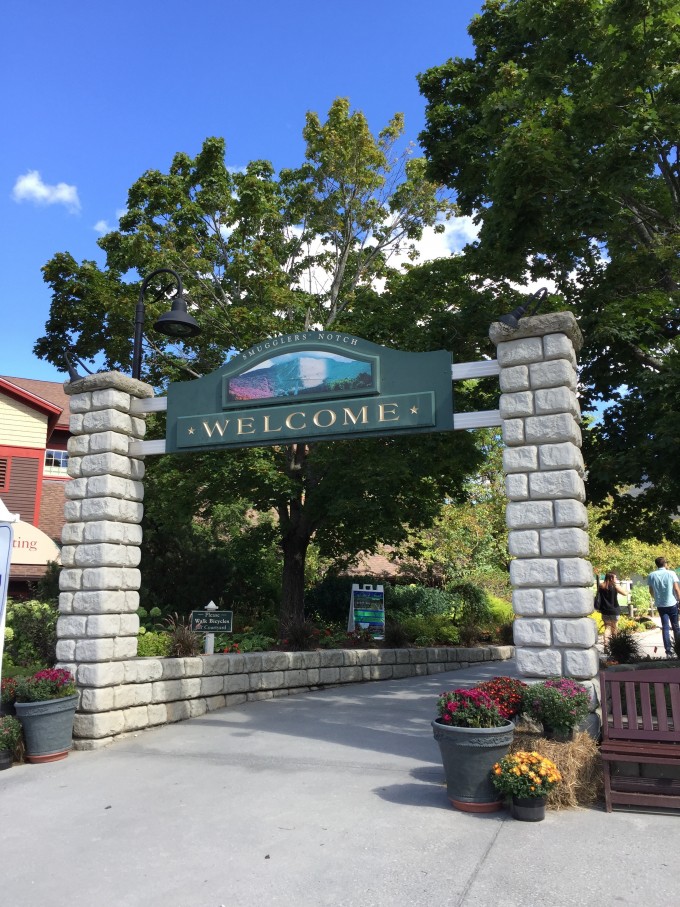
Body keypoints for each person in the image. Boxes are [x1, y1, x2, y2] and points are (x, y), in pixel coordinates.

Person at [647, 556, 680, 657]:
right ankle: (678, 649)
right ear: (665, 564)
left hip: (660, 604)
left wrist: (656, 598)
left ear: (656, 564)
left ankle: (668, 651)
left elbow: (651, 591)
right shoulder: (671, 573)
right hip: (672, 603)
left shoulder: (651, 575)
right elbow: (676, 589)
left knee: (665, 627)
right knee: (676, 627)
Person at [597, 572, 627, 646]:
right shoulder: (615, 586)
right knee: (614, 628)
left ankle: (606, 645)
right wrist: (618, 585)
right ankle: (615, 646)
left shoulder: (601, 586)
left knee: (607, 628)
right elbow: (625, 593)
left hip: (604, 611)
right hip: (614, 610)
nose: (616, 579)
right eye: (615, 577)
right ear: (611, 578)